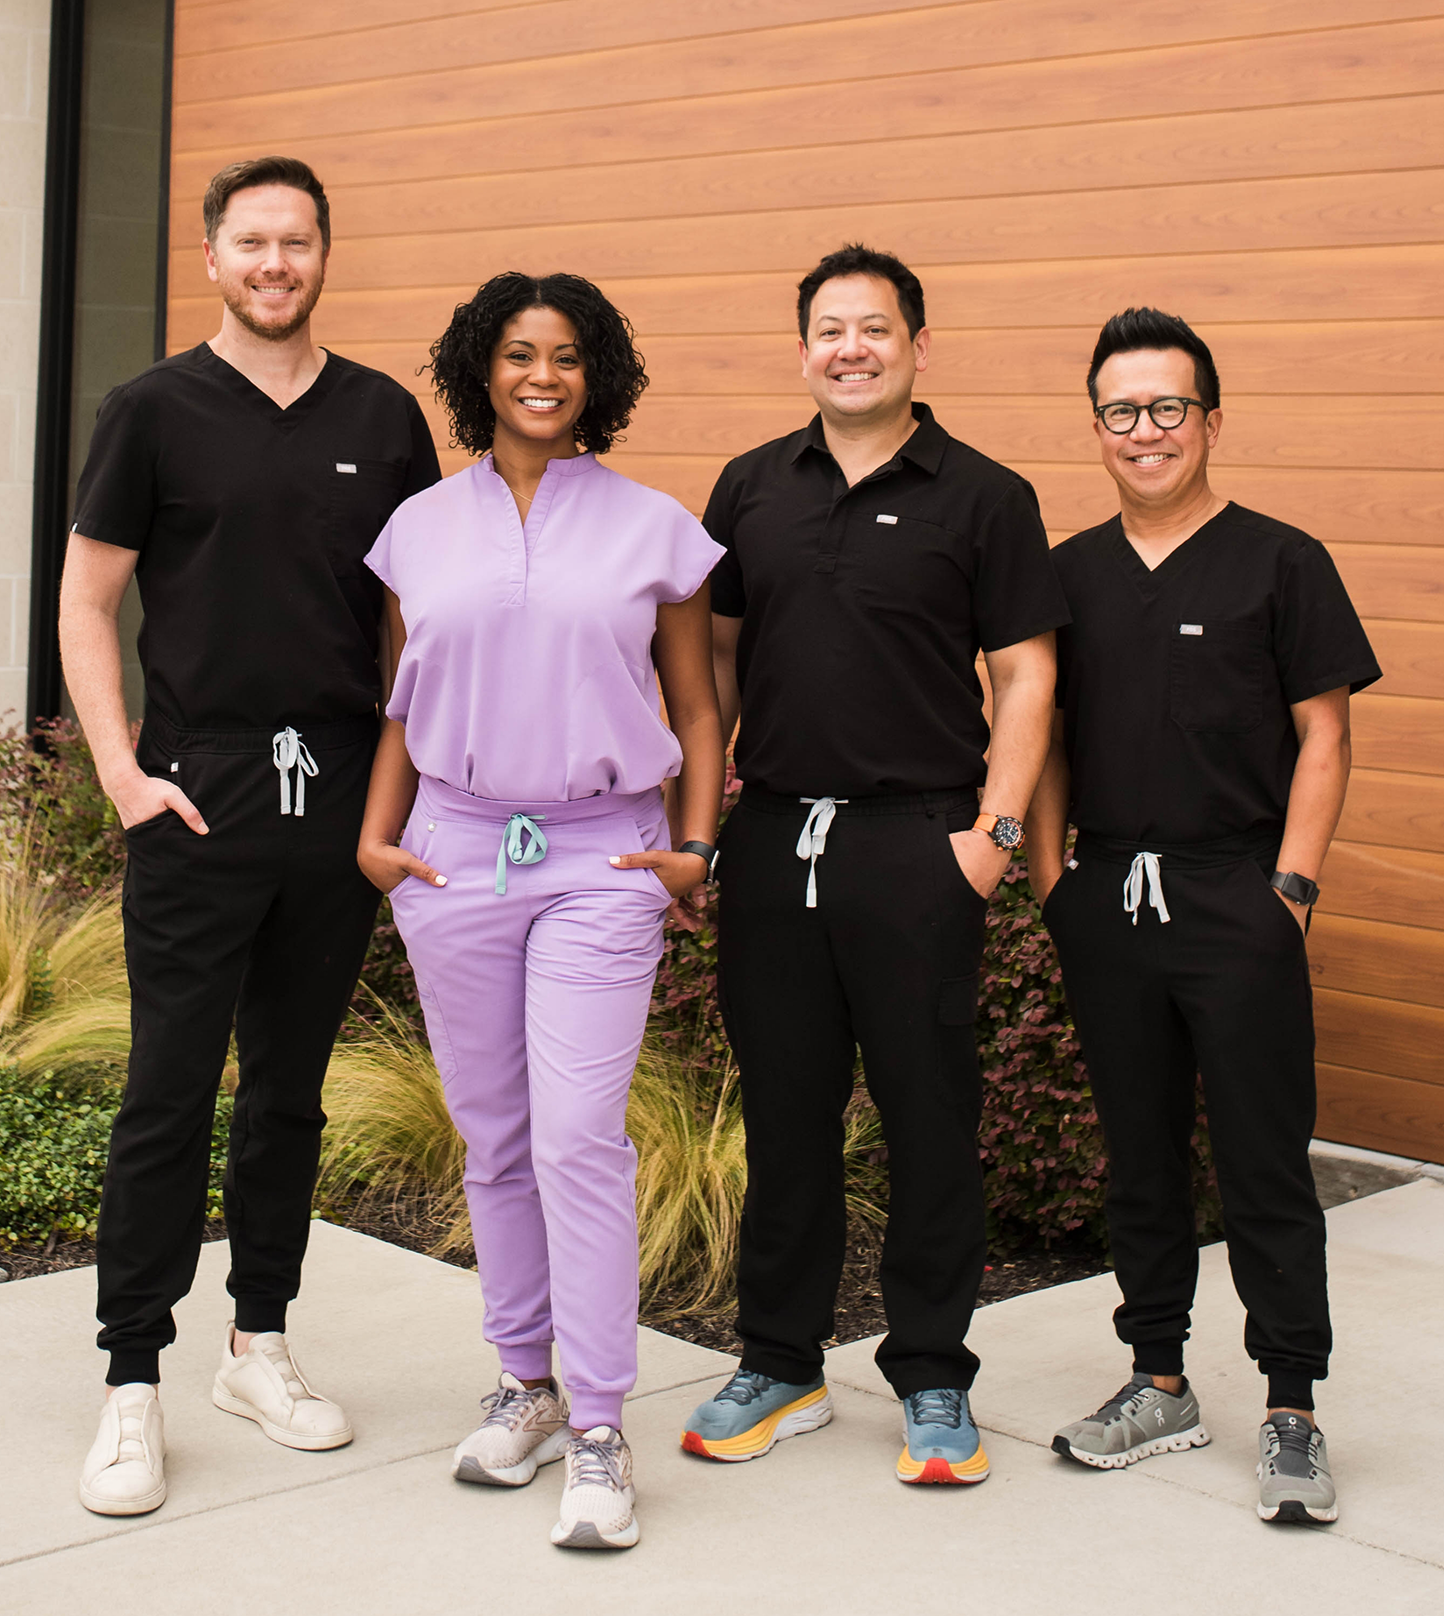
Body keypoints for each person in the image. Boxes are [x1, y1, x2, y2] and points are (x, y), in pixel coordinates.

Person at [61, 155, 441, 1517]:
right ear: (211, 257)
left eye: (298, 242)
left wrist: (406, 794)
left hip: (335, 795)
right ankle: (129, 1381)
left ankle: (259, 1344)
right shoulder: (153, 411)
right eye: (252, 242)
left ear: (325, 253)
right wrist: (120, 771)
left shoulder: (384, 417)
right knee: (168, 1089)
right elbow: (86, 600)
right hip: (197, 787)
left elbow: (412, 625)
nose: (276, 263)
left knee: (287, 1089)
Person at [680, 244, 1068, 1484]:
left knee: (927, 1116)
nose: (850, 347)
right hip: (775, 834)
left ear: (916, 345)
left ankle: (933, 1376)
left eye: (874, 328)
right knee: (785, 1113)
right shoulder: (747, 487)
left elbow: (1024, 676)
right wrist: (706, 815)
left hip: (919, 840)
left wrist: (989, 840)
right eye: (828, 329)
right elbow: (712, 669)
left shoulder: (985, 495)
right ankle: (780, 1360)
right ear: (802, 349)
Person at [358, 271, 725, 1550]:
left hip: (599, 860)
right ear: (481, 370)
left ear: (596, 376)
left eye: (567, 356)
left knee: (578, 1135)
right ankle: (522, 1381)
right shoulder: (415, 527)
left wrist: (693, 845)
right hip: (455, 851)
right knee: (494, 1135)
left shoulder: (651, 526)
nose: (542, 375)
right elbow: (407, 697)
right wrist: (377, 834)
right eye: (517, 353)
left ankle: (601, 1424)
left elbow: (696, 709)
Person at [1027, 308, 1380, 1525]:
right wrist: (1048, 879)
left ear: (1210, 420)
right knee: (1138, 1154)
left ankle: (1290, 1406)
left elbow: (1323, 734)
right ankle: (1157, 1377)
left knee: (1261, 1160)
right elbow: (1048, 736)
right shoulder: (1064, 573)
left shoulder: (1281, 560)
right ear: (1095, 428)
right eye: (1121, 410)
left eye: (1167, 406)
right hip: (1106, 899)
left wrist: (1286, 889)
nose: (1145, 430)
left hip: (1236, 895)